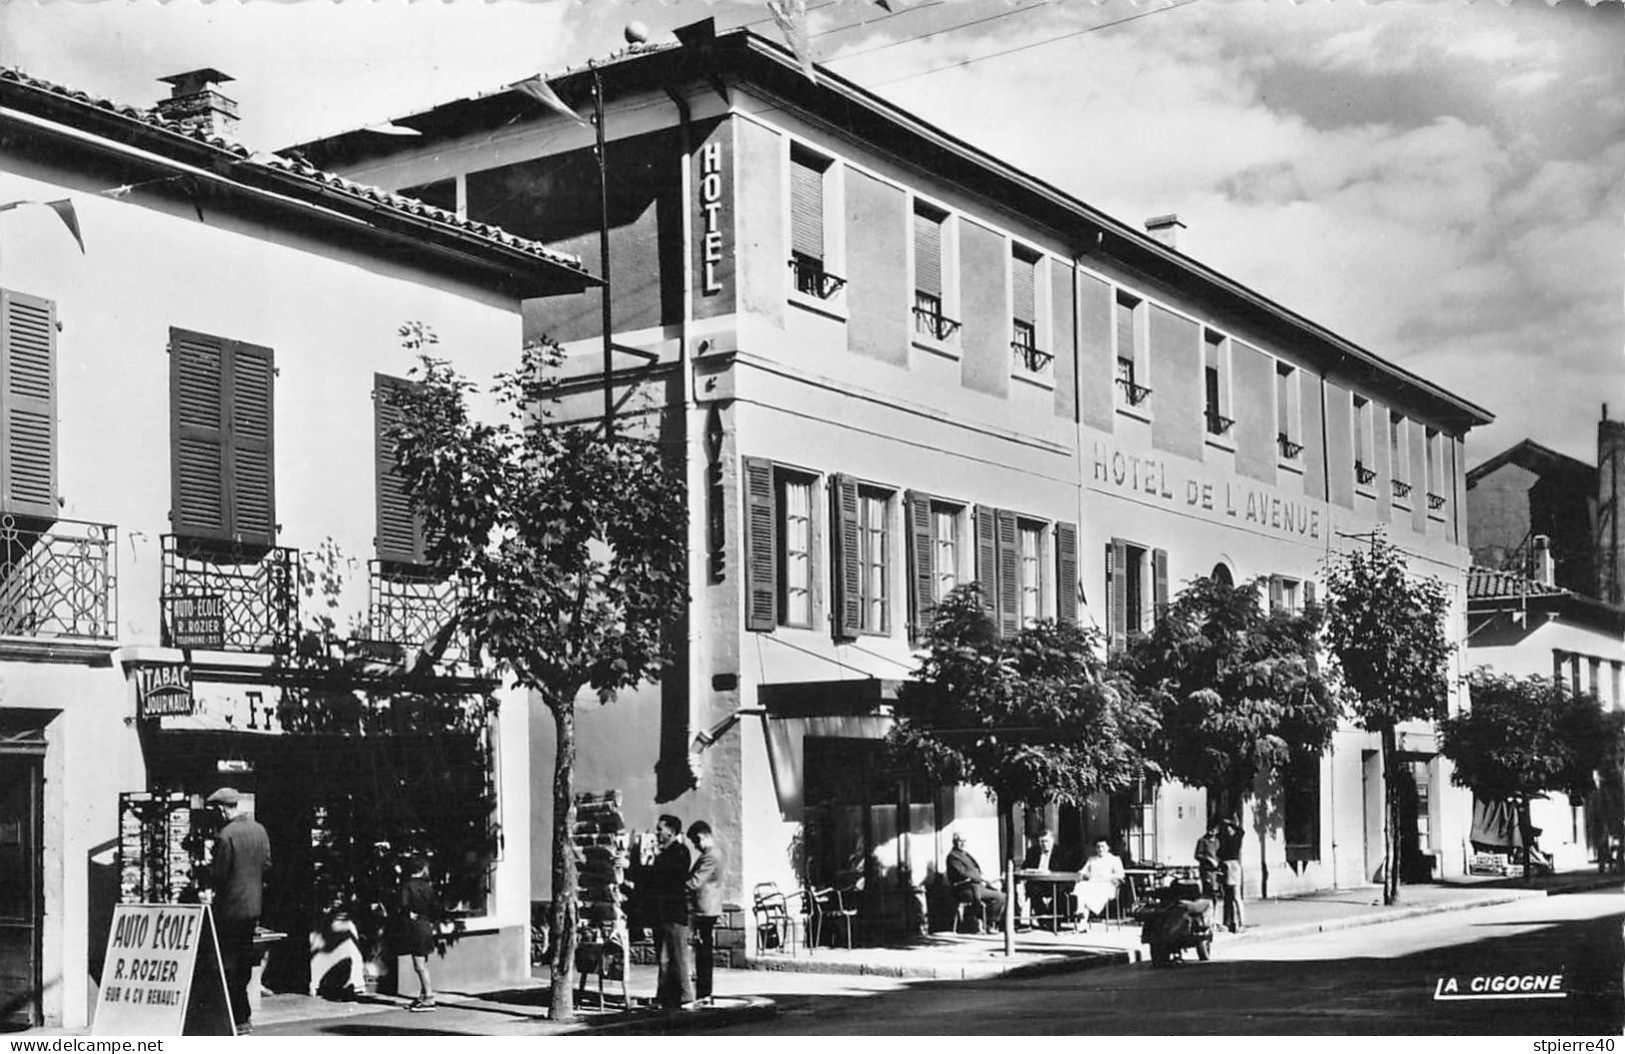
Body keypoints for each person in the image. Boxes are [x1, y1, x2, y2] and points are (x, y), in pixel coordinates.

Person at [205, 787, 270, 1035]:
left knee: (227, 964)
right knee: (243, 962)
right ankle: (243, 1018)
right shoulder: (259, 830)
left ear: (222, 808)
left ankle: (237, 1016)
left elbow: (219, 875)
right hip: (253, 907)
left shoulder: (226, 835)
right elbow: (266, 865)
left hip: (230, 909)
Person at [650, 815, 694, 1010]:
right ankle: (666, 996)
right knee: (665, 957)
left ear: (671, 831)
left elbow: (668, 877)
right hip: (664, 911)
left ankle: (685, 996)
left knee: (678, 955)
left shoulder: (679, 852)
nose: (657, 833)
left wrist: (654, 861)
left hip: (674, 911)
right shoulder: (666, 853)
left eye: (660, 829)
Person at [685, 821, 723, 1005]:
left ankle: (704, 992)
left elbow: (695, 882)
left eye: (696, 841)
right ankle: (703, 992)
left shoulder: (710, 857)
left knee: (703, 953)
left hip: (704, 909)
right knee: (703, 951)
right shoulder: (712, 854)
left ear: (703, 836)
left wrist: (676, 888)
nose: (695, 846)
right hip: (707, 907)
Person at [397, 857, 441, 1012]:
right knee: (423, 962)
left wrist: (409, 914)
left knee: (419, 965)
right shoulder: (427, 886)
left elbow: (403, 905)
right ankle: (423, 995)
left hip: (415, 927)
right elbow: (435, 906)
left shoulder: (407, 886)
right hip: (426, 925)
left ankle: (429, 998)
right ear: (423, 869)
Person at [945, 832, 1006, 929]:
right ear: (954, 842)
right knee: (999, 897)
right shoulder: (953, 857)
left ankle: (989, 922)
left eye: (964, 841)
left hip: (975, 886)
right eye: (960, 841)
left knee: (1000, 895)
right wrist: (980, 878)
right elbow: (964, 873)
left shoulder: (966, 855)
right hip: (964, 889)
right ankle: (989, 924)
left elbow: (975, 871)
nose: (963, 844)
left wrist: (983, 878)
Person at [1076, 838, 1125, 930]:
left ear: (1108, 847)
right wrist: (1085, 874)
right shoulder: (1092, 859)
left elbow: (1121, 874)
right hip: (1092, 885)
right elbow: (1082, 871)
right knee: (1082, 886)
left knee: (1086, 895)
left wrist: (1107, 876)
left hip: (1107, 886)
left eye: (1103, 846)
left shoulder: (1114, 859)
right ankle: (1081, 915)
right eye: (1098, 847)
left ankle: (1082, 919)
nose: (1100, 849)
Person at [1020, 830, 1062, 927]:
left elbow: (1064, 869)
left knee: (1059, 892)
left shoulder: (1060, 852)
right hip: (1037, 883)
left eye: (1046, 841)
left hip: (1055, 882)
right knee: (1032, 890)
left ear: (1052, 840)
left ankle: (1054, 921)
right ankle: (1042, 918)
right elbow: (1025, 867)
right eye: (1042, 842)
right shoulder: (1033, 851)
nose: (1044, 844)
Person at [1217, 817, 1245, 933]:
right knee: (1227, 897)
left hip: (1233, 866)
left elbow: (1241, 832)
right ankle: (1227, 922)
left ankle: (1241, 923)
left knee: (1236, 896)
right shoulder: (1223, 840)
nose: (1229, 830)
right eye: (1227, 828)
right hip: (1225, 866)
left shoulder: (1236, 840)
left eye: (1230, 829)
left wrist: (1233, 823)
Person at [1194, 825, 1222, 901]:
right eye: (1209, 829)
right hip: (1206, 870)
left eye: (1213, 829)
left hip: (1216, 870)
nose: (1211, 831)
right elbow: (1197, 855)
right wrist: (1208, 859)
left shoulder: (1217, 841)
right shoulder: (1202, 841)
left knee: (1216, 892)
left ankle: (1215, 909)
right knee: (1208, 891)